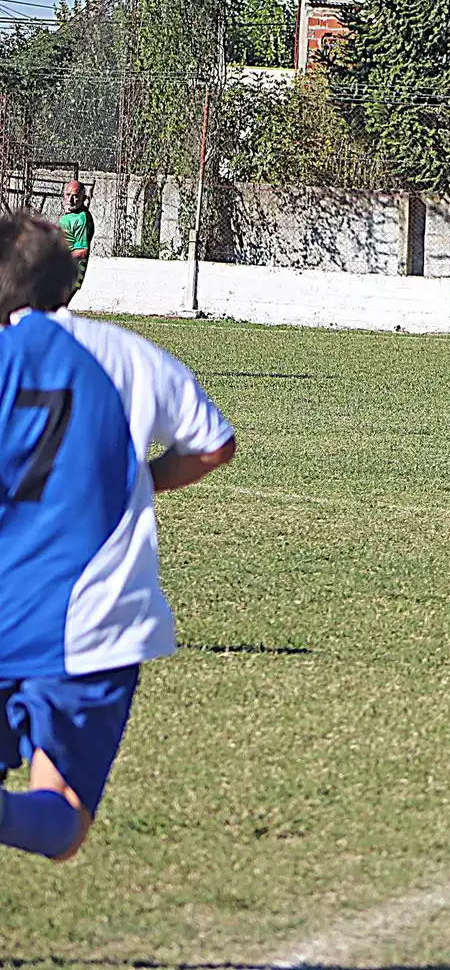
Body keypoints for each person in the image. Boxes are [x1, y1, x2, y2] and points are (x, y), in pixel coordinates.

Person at [0, 214, 235, 862]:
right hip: (95, 625)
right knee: (62, 823)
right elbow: (215, 445)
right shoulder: (131, 355)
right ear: (67, 283)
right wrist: (140, 481)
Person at [58, 181, 94, 298]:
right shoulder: (70, 216)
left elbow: (82, 251)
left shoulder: (81, 218)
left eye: (76, 196)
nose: (71, 200)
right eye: (68, 195)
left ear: (83, 198)